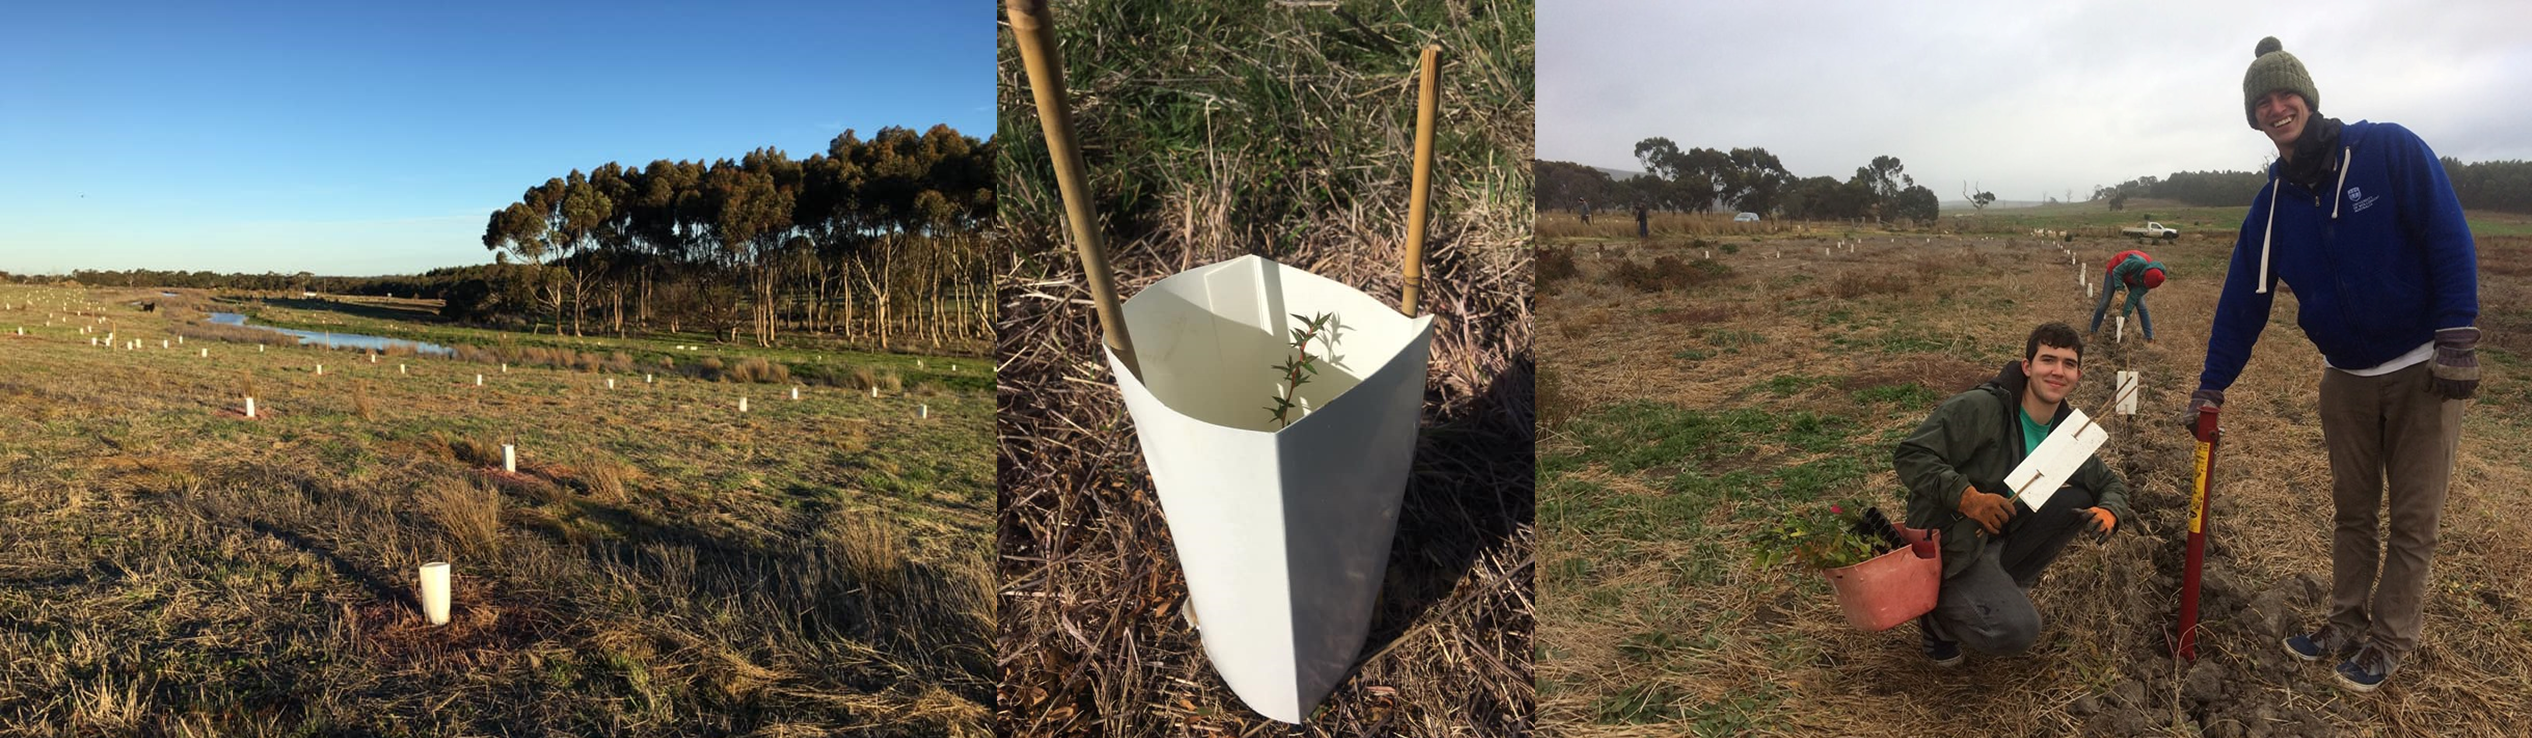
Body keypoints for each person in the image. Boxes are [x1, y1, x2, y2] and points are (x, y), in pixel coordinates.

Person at [2194, 37, 2479, 693]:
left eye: (2283, 95)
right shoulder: (2272, 208)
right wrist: (2212, 383)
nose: (2275, 108)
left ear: (2308, 97)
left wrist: (2459, 337)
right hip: (2344, 379)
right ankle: (2346, 623)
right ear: (2254, 117)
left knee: (2413, 519)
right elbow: (2245, 300)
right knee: (2352, 512)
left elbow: (2448, 233)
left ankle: (2389, 640)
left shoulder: (2387, 151)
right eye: (2260, 102)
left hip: (2421, 372)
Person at [1895, 322, 2130, 666]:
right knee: (2019, 630)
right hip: (1950, 545)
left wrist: (2110, 510)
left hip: (1996, 537)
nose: (2057, 371)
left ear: (2079, 375)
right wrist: (1968, 498)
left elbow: (2110, 483)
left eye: (2068, 364)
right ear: (2027, 366)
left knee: (2077, 497)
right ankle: (1936, 619)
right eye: (2048, 360)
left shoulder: (2066, 436)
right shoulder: (1982, 408)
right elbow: (1911, 455)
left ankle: (1999, 589)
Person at [2089, 250, 2168, 341]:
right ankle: (2093, 331)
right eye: (2144, 281)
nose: (2144, 284)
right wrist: (2120, 290)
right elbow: (2117, 272)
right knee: (2105, 302)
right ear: (2145, 274)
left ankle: (2149, 338)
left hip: (2133, 277)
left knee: (2141, 305)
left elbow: (2133, 297)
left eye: (2145, 284)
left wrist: (2125, 316)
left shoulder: (2149, 283)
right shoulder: (2137, 262)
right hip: (2116, 269)